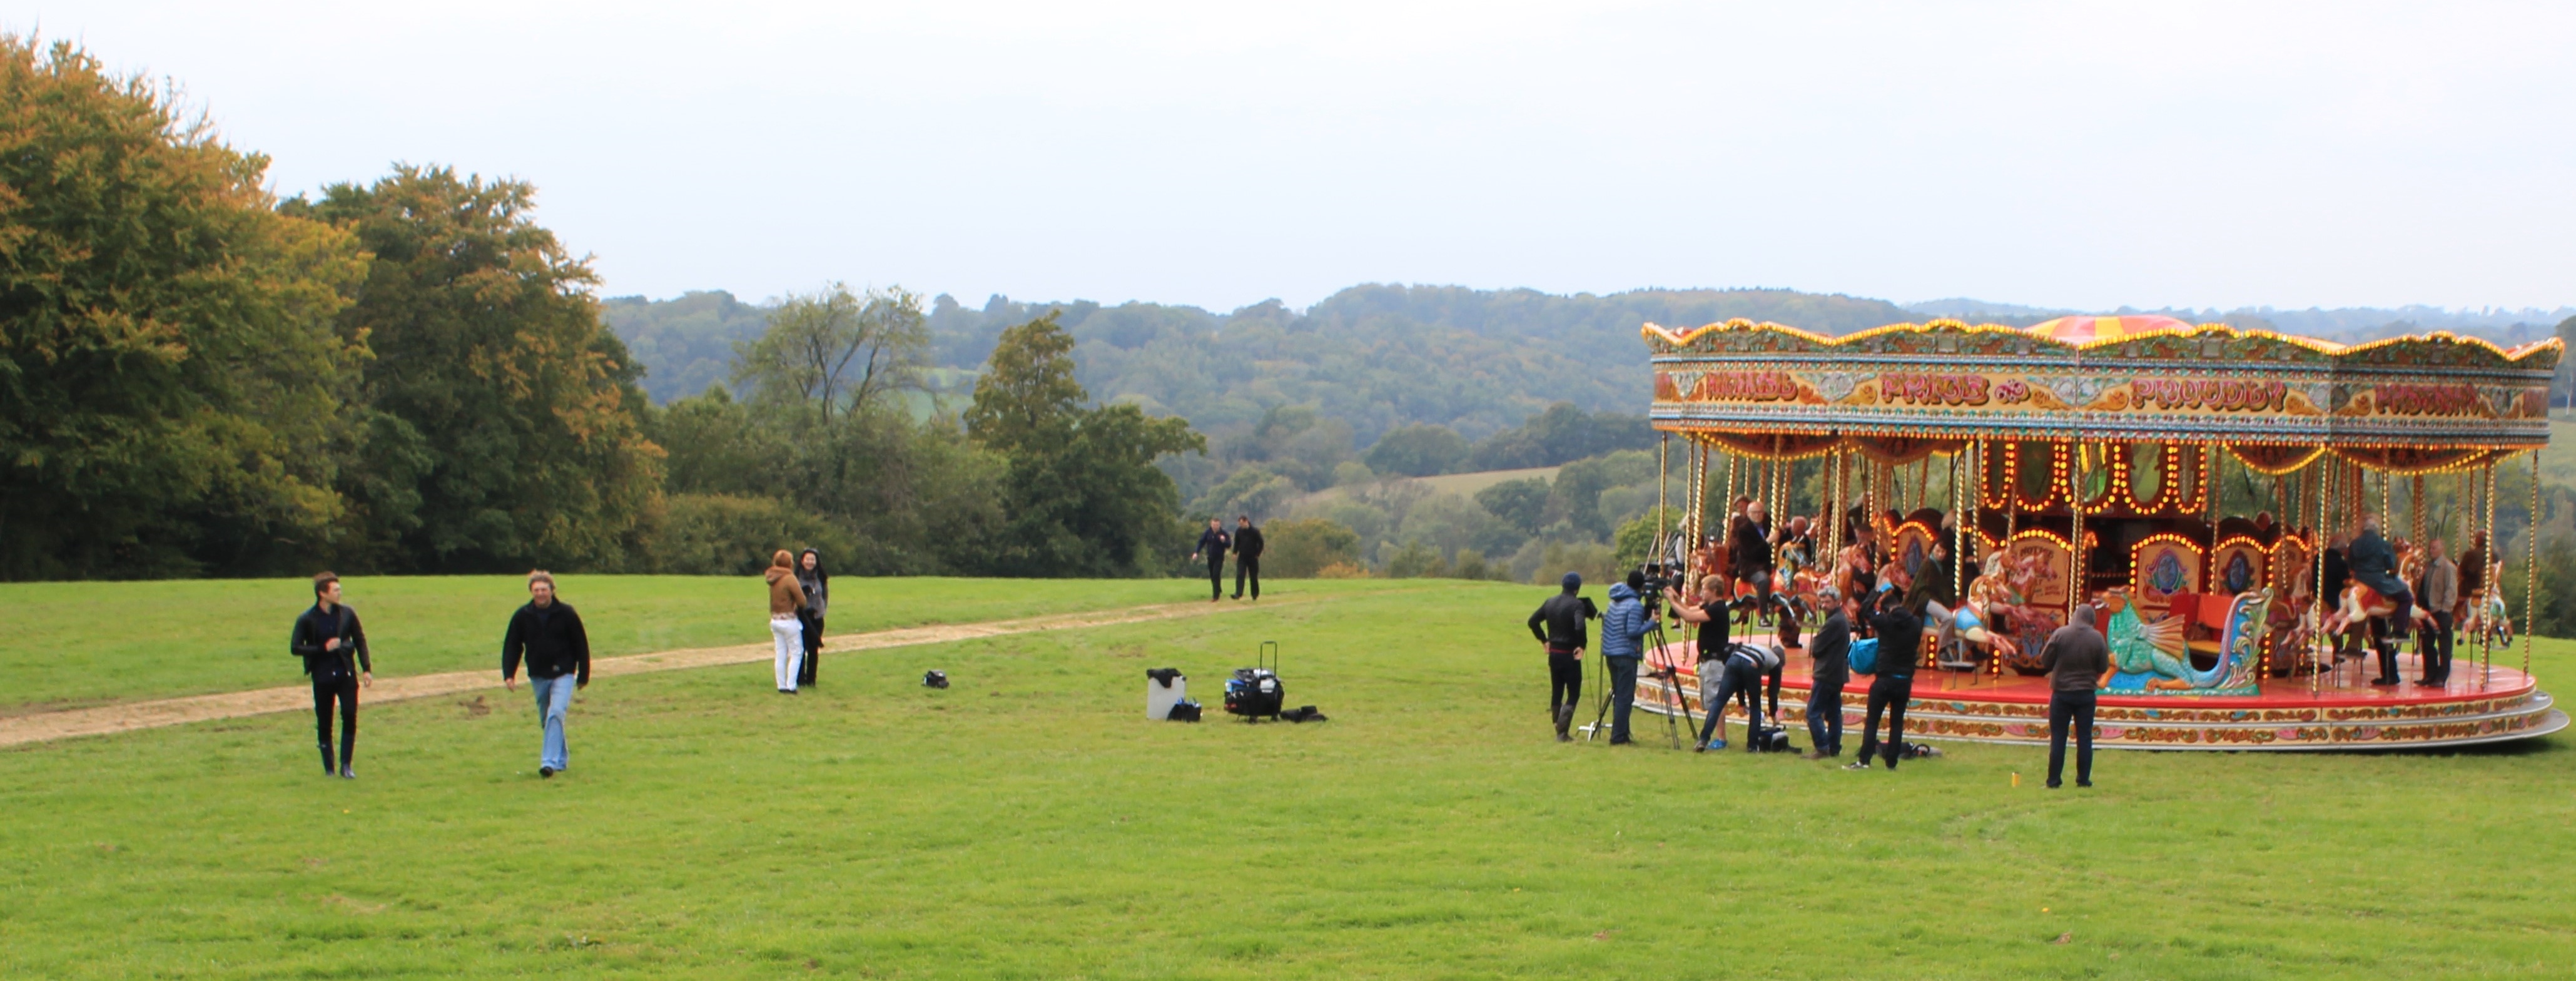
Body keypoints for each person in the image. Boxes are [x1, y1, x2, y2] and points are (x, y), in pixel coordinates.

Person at [502, 571, 591, 778]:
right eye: (537, 590)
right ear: (531, 593)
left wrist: (583, 675)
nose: (541, 593)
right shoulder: (523, 616)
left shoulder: (567, 613)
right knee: (547, 718)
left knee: (556, 712)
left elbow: (580, 643)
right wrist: (509, 674)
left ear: (552, 590)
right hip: (538, 674)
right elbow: (513, 646)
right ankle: (561, 758)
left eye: (544, 589)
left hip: (564, 672)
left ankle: (548, 763)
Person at [289, 572, 372, 779]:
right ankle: (329, 768)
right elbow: (296, 648)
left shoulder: (347, 614)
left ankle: (346, 765)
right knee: (325, 719)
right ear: (322, 594)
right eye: (335, 590)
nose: (340, 593)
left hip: (346, 673)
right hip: (322, 675)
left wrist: (367, 668)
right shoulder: (307, 618)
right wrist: (322, 648)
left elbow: (360, 640)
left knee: (350, 715)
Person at [1849, 562, 1926, 771]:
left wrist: (1877, 591)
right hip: (1904, 680)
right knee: (1897, 722)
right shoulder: (1916, 624)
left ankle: (1864, 760)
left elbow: (1864, 610)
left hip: (1885, 678)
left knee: (1873, 720)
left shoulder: (1885, 622)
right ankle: (1891, 762)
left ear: (1886, 609)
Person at [2035, 602, 2111, 788]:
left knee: (2059, 737)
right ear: (2091, 620)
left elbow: (2045, 660)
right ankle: (2083, 780)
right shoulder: (2097, 638)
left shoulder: (2061, 634)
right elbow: (2103, 667)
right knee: (2085, 737)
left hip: (2062, 693)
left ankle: (2053, 781)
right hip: (2086, 693)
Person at [2347, 515, 2413, 685]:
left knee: (2378, 630)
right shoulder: (2383, 544)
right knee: (2406, 596)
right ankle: (2400, 629)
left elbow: (2351, 564)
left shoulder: (2355, 544)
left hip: (2361, 582)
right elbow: (2391, 563)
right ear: (2376, 530)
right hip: (2378, 582)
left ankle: (2387, 673)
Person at [1528, 572, 1593, 741]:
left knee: (1557, 690)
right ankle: (1562, 732)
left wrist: (1544, 640)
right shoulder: (1577, 605)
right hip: (1569, 654)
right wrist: (1582, 645)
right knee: (1573, 693)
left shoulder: (1550, 602)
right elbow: (1579, 627)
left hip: (1554, 653)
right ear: (1577, 588)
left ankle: (1557, 723)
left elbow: (1533, 621)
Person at [1598, 575, 1652, 745]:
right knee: (1625, 696)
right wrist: (1652, 623)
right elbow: (1633, 631)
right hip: (1626, 653)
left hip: (1611, 652)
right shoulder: (1635, 605)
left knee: (1618, 694)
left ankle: (1621, 731)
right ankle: (1619, 736)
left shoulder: (1615, 601)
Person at [1802, 589, 1852, 760]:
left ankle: (1823, 746)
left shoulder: (1833, 623)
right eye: (1822, 602)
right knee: (1834, 713)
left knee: (1813, 712)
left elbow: (1816, 648)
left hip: (1827, 672)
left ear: (1838, 602)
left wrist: (1817, 641)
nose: (1824, 606)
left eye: (1827, 602)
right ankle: (1834, 747)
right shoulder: (1841, 620)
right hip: (1838, 672)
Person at [764, 550, 807, 694]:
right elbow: (802, 601)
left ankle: (781, 685)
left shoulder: (772, 577)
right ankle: (792, 685)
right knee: (797, 652)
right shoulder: (789, 578)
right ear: (790, 563)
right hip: (789, 620)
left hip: (775, 619)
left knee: (780, 653)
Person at [2417, 537, 2457, 687]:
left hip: (2441, 611)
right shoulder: (2429, 567)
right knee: (2427, 643)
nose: (2431, 551)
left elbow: (2451, 590)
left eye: (2434, 548)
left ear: (2442, 549)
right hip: (2428, 610)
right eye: (2430, 548)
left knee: (2444, 645)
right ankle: (2430, 674)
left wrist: (2445, 608)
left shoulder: (2448, 568)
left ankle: (2442, 676)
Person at [794, 548, 828, 688]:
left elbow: (825, 595)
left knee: (814, 648)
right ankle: (800, 679)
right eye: (807, 559)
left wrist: (822, 610)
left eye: (812, 559)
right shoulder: (795, 576)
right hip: (801, 616)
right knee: (800, 648)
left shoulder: (821, 576)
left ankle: (811, 680)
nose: (810, 562)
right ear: (802, 560)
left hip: (816, 617)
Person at [1190, 518, 1231, 602]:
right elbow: (1201, 542)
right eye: (1214, 525)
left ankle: (1215, 596)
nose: (1215, 527)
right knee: (1213, 576)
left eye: (1217, 525)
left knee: (1216, 574)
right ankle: (1218, 588)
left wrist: (1224, 541)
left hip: (1219, 557)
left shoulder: (1223, 534)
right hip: (1210, 557)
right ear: (1211, 524)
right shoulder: (1207, 533)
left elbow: (1229, 545)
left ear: (1219, 525)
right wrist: (1196, 553)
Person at [1231, 515, 1265, 600]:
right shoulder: (1239, 531)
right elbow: (1237, 543)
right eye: (1240, 524)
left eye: (1242, 523)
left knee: (1253, 576)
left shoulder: (1255, 531)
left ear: (1246, 521)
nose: (1241, 525)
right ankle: (1238, 594)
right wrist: (1235, 553)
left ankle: (1255, 594)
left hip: (1253, 557)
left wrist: (1258, 553)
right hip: (1242, 557)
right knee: (1240, 575)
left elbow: (1261, 543)